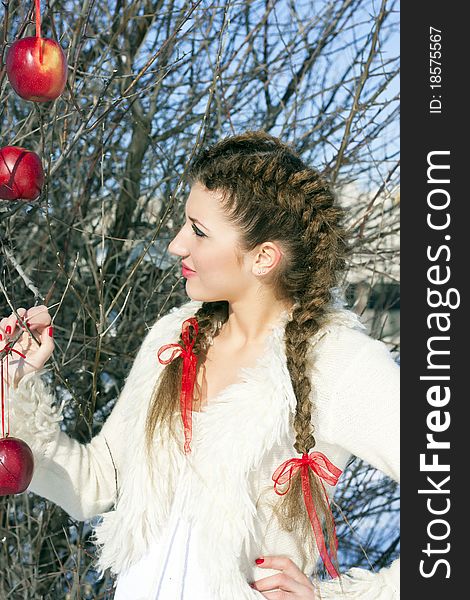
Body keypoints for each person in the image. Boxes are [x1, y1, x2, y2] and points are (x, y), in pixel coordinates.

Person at [0, 131, 399, 599]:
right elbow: (93, 482)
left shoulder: (336, 363)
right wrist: (17, 384)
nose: (176, 245)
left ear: (263, 257)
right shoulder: (174, 339)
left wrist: (337, 598)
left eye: (199, 231)